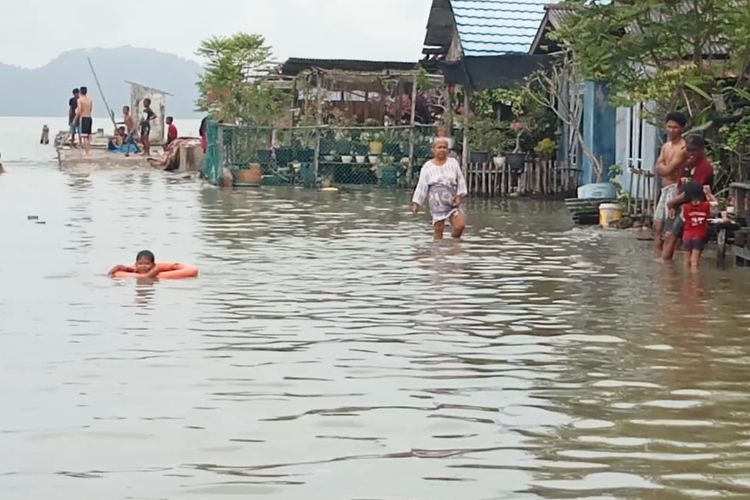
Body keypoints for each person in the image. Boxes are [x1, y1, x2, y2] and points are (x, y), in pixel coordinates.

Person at [411, 137, 468, 240]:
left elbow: (460, 180)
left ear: (448, 150)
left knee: (460, 225)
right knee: (438, 230)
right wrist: (416, 204)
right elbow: (421, 186)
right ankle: (438, 250)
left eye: (444, 147)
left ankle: (454, 242)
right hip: (437, 204)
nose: (442, 150)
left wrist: (459, 195)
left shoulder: (453, 163)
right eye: (439, 147)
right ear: (433, 149)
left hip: (452, 202)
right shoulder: (427, 167)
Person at [653, 112, 689, 261]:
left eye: (675, 127)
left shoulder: (683, 148)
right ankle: (658, 256)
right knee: (656, 225)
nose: (671, 130)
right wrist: (662, 167)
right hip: (664, 189)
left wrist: (663, 167)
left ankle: (668, 259)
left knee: (670, 228)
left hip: (675, 189)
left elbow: (667, 170)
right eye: (669, 127)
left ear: (681, 129)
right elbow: (657, 167)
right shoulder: (666, 146)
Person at [670, 182, 717, 269]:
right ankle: (694, 281)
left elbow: (683, 218)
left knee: (686, 261)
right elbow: (716, 205)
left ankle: (686, 279)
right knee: (694, 262)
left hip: (687, 236)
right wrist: (709, 193)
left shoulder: (685, 207)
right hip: (699, 235)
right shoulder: (705, 206)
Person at [75, 86, 93, 155]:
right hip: (89, 118)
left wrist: (75, 117)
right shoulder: (90, 100)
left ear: (80, 92)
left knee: (84, 136)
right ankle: (88, 151)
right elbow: (91, 109)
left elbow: (79, 110)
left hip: (83, 118)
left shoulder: (79, 100)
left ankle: (86, 152)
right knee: (88, 136)